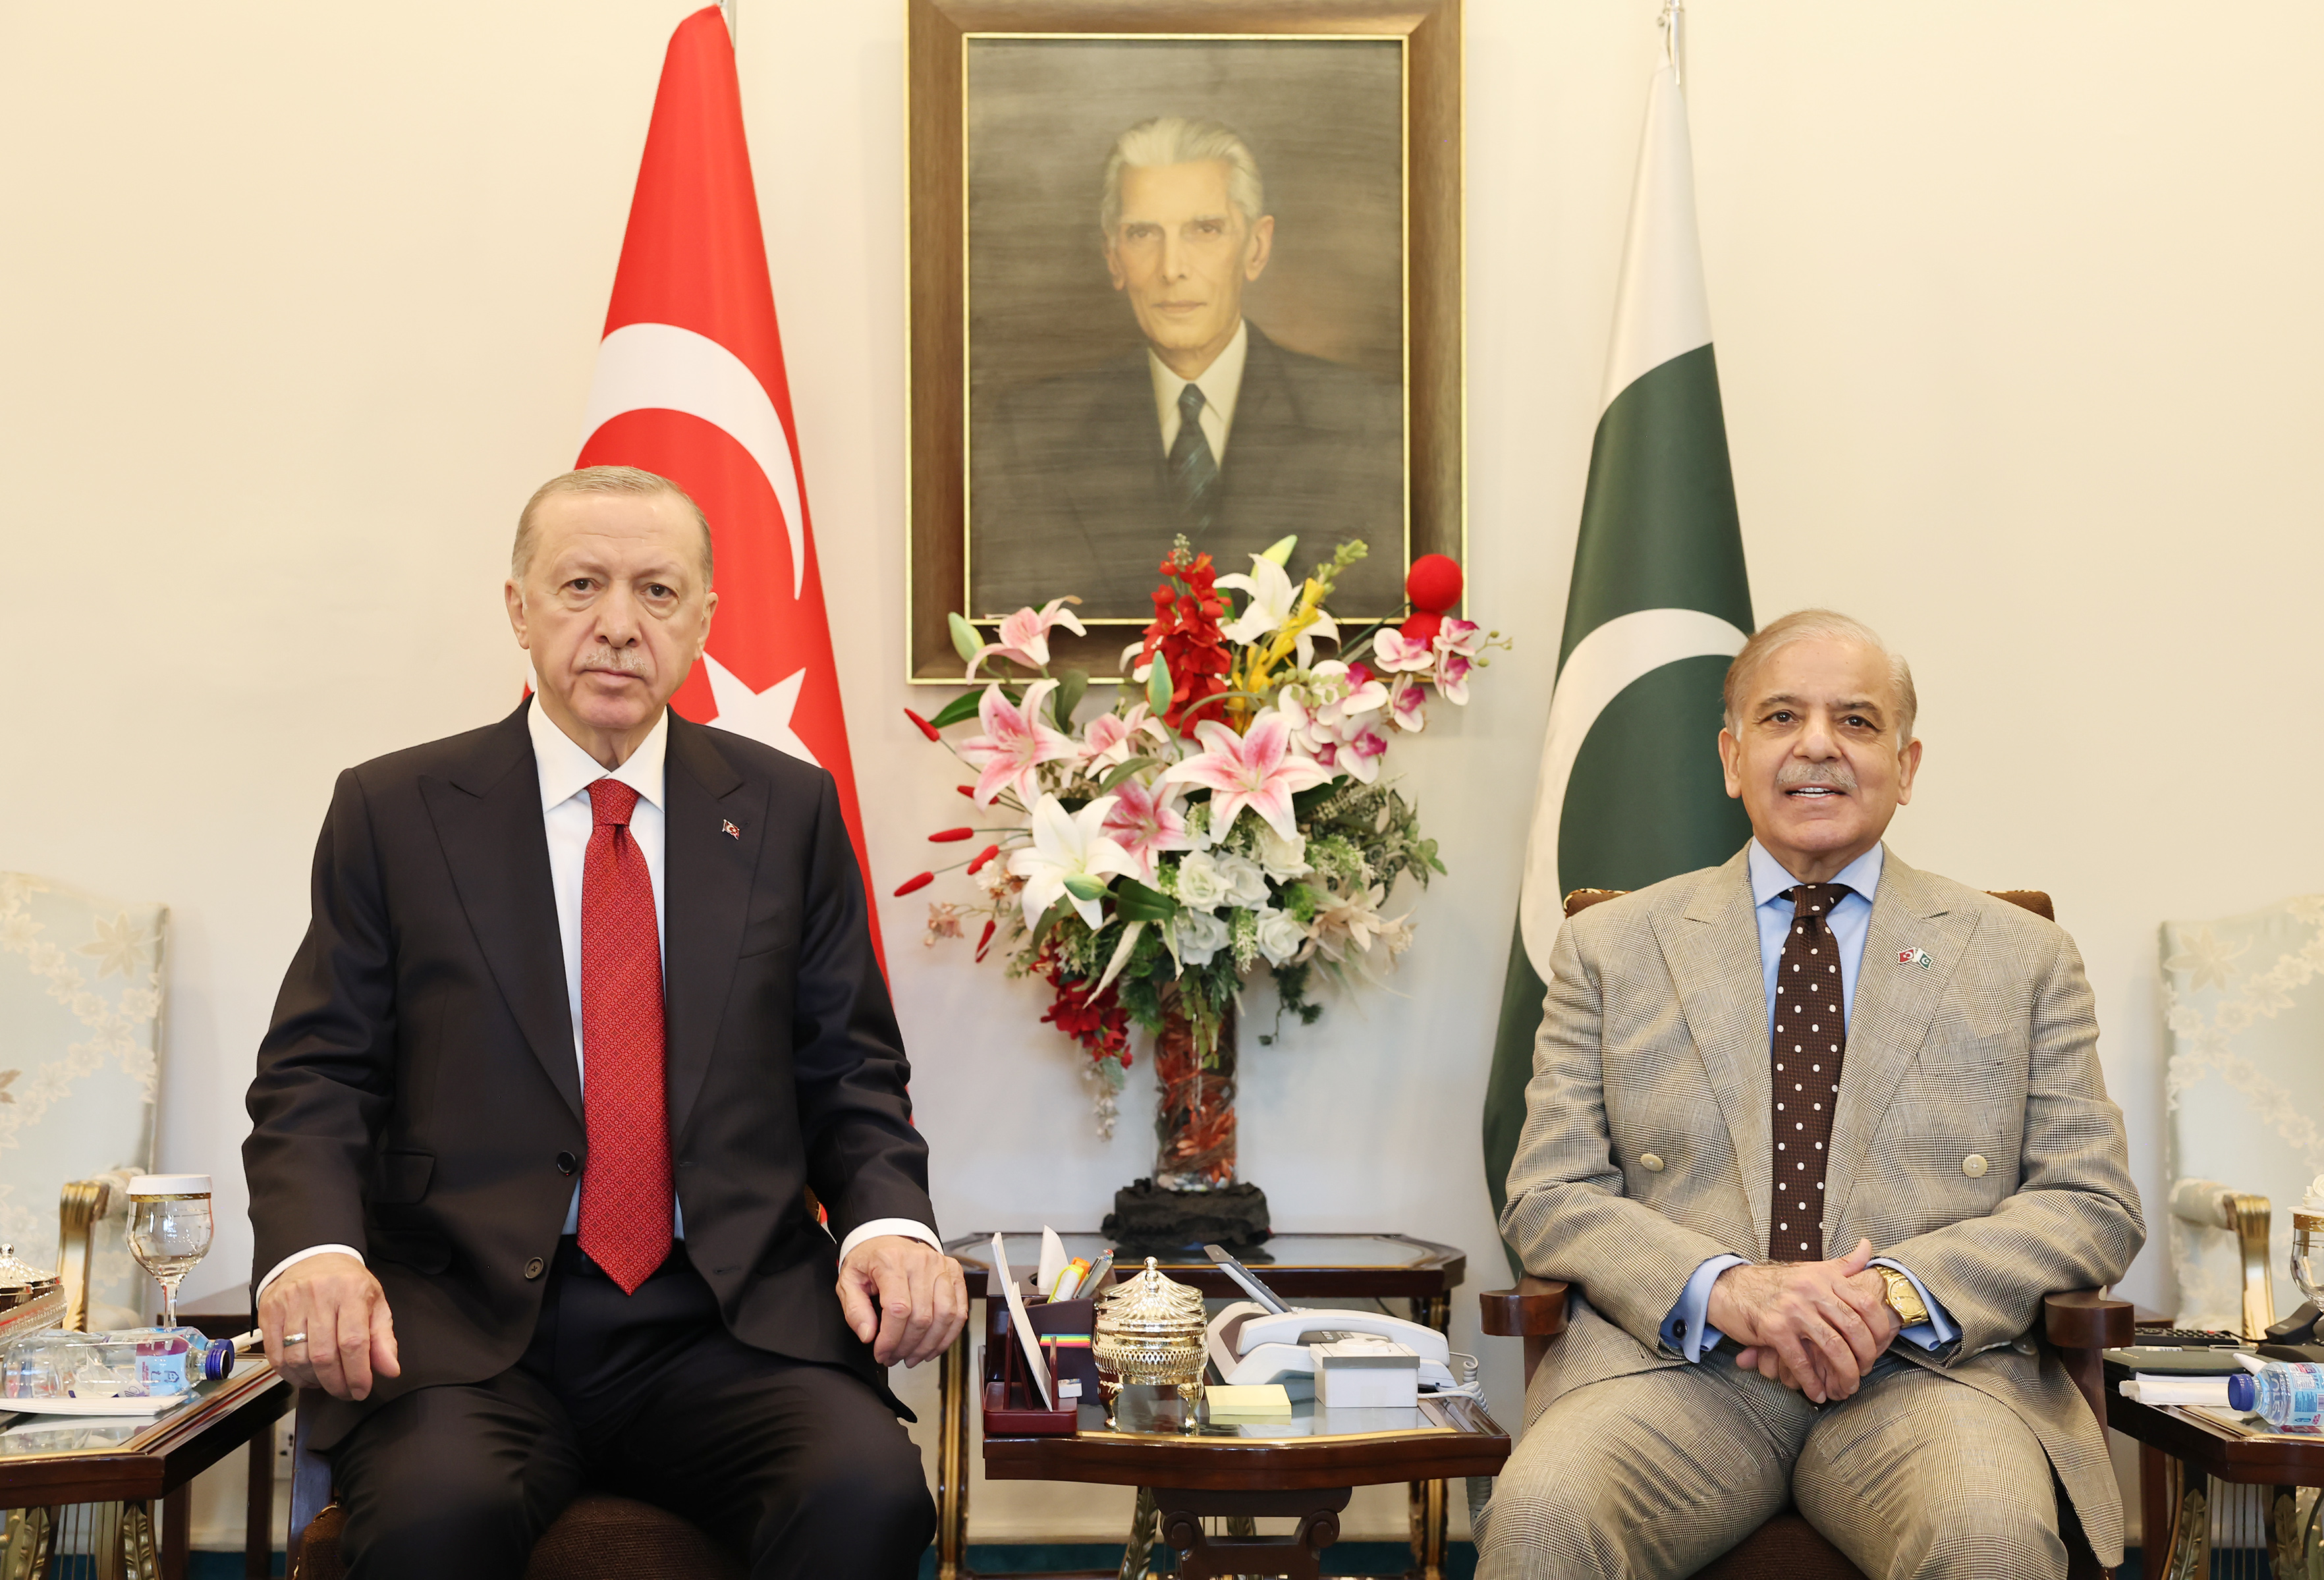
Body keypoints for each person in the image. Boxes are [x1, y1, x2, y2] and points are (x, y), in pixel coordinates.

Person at [243, 465, 964, 1579]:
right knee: (437, 1514)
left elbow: (850, 1071)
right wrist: (315, 1251)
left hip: (725, 1321)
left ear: (704, 620)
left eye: (657, 591)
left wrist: (890, 1227)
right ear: (519, 607)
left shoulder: (788, 810)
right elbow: (319, 1072)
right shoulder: (394, 810)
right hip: (470, 1330)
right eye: (581, 584)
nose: (619, 624)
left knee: (864, 1491)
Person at [1481, 609, 2144, 1580]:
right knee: (1544, 1516)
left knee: (1990, 1536)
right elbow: (1549, 1192)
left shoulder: (2021, 955)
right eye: (1782, 716)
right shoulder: (1613, 947)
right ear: (1732, 756)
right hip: (1679, 1369)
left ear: (1907, 766)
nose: (1818, 744)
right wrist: (1731, 1289)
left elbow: (2091, 1200)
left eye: (1857, 720)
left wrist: (1892, 1291)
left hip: (1932, 1374)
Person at [972, 115, 1404, 617]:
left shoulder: (1368, 422)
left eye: (1205, 229)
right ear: (1113, 255)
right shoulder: (1030, 435)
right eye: (1142, 233)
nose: (1172, 267)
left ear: (1256, 248)